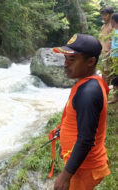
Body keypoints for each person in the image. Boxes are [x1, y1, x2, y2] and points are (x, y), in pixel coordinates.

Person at [50, 33, 110, 190]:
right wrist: (62, 130)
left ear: (91, 61)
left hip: (84, 169)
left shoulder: (88, 93)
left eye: (72, 59)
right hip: (82, 164)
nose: (65, 64)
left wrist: (65, 176)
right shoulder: (89, 83)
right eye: (65, 59)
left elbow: (85, 140)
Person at [99, 7, 114, 83]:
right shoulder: (103, 26)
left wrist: (111, 52)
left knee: (108, 74)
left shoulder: (113, 26)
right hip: (103, 54)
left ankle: (107, 92)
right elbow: (101, 40)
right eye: (102, 15)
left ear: (111, 15)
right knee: (103, 74)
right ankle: (104, 92)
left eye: (105, 15)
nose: (103, 17)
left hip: (110, 54)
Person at [108, 13, 118, 104]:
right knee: (114, 78)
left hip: (117, 60)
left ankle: (115, 97)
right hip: (114, 58)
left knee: (116, 78)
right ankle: (115, 97)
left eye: (111, 19)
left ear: (113, 21)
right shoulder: (115, 31)